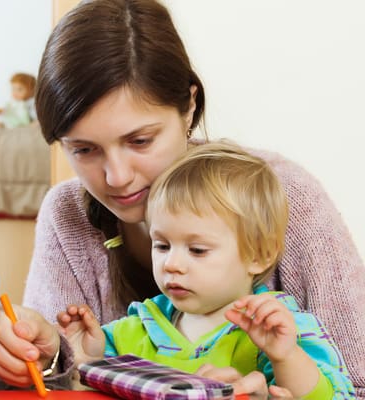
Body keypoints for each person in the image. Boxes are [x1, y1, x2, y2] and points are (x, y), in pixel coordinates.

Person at [0, 0, 365, 397]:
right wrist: (41, 356)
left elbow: (355, 382)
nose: (117, 177)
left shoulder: (285, 195)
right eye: (83, 149)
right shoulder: (67, 215)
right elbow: (62, 375)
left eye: (140, 140)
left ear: (190, 107)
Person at [57, 142, 354, 399]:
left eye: (197, 250)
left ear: (259, 255)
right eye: (162, 245)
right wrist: (87, 362)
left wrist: (286, 357)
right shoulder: (135, 329)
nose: (171, 264)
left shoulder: (282, 329)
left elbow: (334, 395)